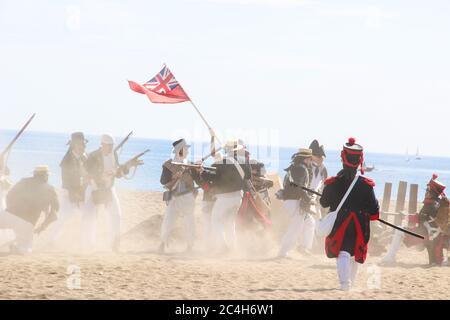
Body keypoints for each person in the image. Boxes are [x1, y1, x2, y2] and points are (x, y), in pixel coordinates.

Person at [320, 138, 379, 291]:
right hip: (360, 225)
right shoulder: (366, 185)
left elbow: (324, 203)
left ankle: (345, 285)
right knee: (353, 255)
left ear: (343, 158)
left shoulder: (332, 183)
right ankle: (349, 284)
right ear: (360, 160)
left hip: (340, 224)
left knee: (343, 253)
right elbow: (374, 211)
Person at [83, 134, 142, 252]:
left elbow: (119, 174)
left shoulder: (114, 154)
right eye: (108, 145)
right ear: (102, 144)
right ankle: (87, 245)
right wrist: (103, 174)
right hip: (94, 188)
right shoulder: (93, 156)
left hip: (109, 189)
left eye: (112, 145)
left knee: (116, 215)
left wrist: (129, 166)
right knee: (89, 217)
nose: (110, 148)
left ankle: (114, 244)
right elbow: (88, 171)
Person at [382, 174, 448, 266]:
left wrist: (405, 216)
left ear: (432, 191)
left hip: (424, 235)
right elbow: (423, 217)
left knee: (398, 230)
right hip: (431, 234)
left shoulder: (431, 204)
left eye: (428, 190)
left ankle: (390, 257)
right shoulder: (438, 202)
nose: (426, 192)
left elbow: (419, 218)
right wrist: (407, 216)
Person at [200, 139, 251, 254]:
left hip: (225, 197)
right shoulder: (244, 161)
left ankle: (223, 246)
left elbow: (215, 178)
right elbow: (248, 176)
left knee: (215, 220)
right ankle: (233, 248)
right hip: (238, 196)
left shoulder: (223, 161)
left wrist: (202, 172)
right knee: (230, 223)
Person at [0, 165, 59, 254]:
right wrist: (42, 227)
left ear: (34, 174)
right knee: (25, 250)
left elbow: (9, 196)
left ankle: (13, 243)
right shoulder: (50, 189)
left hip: (10, 215)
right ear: (45, 176)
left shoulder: (23, 181)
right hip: (27, 223)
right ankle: (16, 247)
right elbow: (54, 214)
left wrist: (11, 211)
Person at [159, 139, 200, 253]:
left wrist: (199, 170)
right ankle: (163, 243)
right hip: (174, 197)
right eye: (185, 149)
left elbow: (198, 180)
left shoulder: (190, 165)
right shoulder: (169, 165)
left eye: (186, 149)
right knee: (168, 221)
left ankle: (190, 246)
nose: (187, 151)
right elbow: (163, 181)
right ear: (179, 150)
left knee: (189, 222)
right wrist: (174, 177)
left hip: (187, 196)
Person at [47, 132, 89, 246]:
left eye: (84, 144)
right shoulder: (67, 160)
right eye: (81, 144)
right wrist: (74, 193)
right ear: (74, 145)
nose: (83, 147)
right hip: (69, 191)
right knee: (64, 216)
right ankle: (51, 240)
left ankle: (85, 240)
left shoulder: (84, 156)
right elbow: (66, 179)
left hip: (80, 191)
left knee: (87, 214)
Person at [276, 148, 313, 258]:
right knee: (295, 228)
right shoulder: (301, 169)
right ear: (305, 159)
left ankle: (303, 246)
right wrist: (307, 198)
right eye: (310, 159)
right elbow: (299, 187)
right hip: (295, 202)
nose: (311, 161)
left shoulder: (294, 168)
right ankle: (283, 252)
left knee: (309, 222)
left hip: (290, 201)